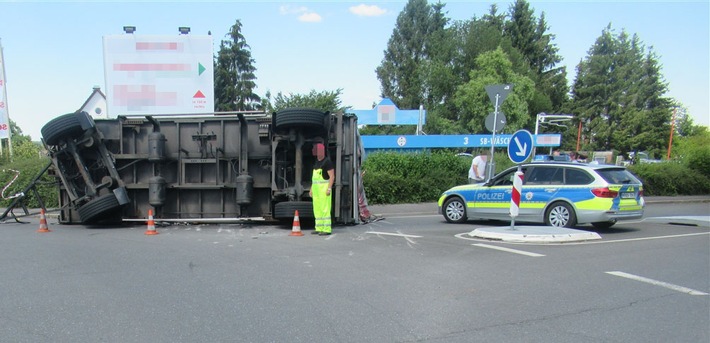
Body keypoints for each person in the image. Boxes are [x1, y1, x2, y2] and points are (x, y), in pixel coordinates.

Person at [309, 141, 335, 235]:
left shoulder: (327, 162)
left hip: (324, 190)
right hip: (316, 191)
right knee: (317, 209)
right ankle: (319, 227)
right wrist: (311, 189)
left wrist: (329, 189)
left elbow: (332, 176)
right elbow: (314, 179)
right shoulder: (317, 162)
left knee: (325, 209)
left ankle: (326, 229)